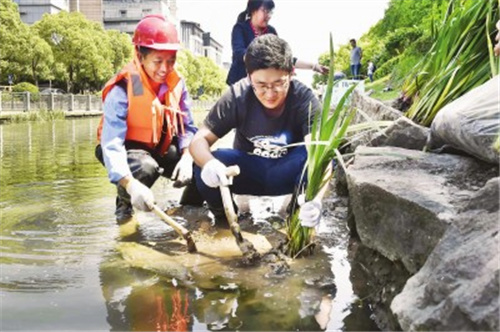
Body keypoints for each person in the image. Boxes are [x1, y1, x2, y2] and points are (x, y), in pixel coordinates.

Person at [189, 34, 323, 228]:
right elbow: (198, 140)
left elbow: (320, 155)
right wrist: (210, 164)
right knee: (202, 165)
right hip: (248, 170)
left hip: (288, 171)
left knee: (315, 159)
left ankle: (299, 216)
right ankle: (225, 221)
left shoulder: (305, 100)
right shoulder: (236, 96)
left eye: (278, 84)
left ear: (291, 73)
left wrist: (318, 199)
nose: (270, 94)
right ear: (249, 76)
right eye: (260, 85)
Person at [95, 14, 199, 224]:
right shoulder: (123, 88)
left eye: (171, 61)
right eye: (157, 61)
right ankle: (125, 207)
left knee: (202, 167)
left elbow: (188, 127)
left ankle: (187, 211)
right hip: (128, 150)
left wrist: (188, 157)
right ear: (140, 56)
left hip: (159, 146)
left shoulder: (177, 84)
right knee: (145, 167)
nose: (164, 69)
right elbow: (111, 144)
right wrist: (130, 184)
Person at [226, 0, 328, 86]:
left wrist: (314, 66)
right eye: (265, 11)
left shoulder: (271, 31)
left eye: (270, 12)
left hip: (263, 85)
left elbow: (282, 57)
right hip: (241, 83)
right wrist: (264, 60)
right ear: (253, 10)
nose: (268, 16)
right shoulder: (240, 28)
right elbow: (239, 53)